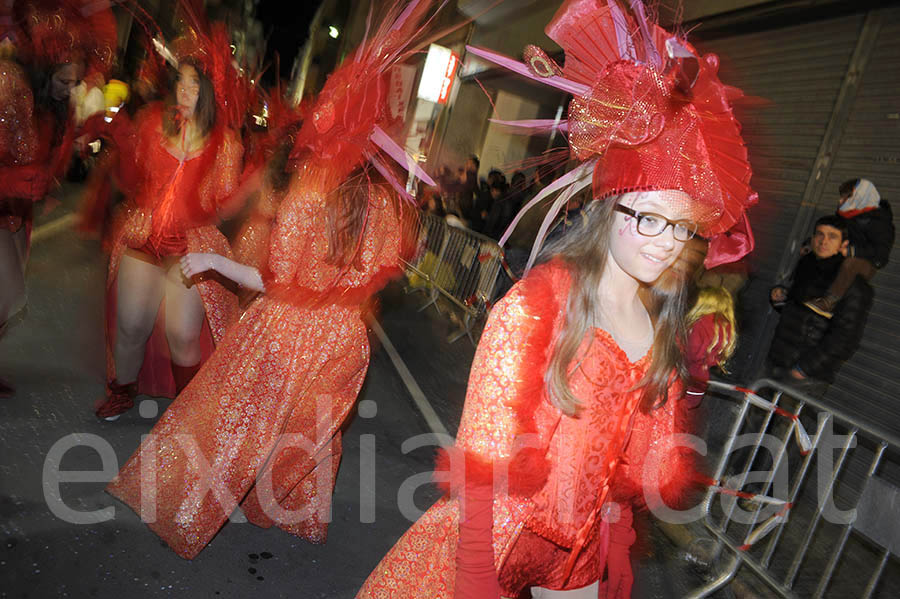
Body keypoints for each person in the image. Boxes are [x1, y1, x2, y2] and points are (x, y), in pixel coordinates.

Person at [358, 0, 757, 597]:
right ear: (607, 207)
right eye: (647, 219)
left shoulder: (660, 326)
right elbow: (483, 460)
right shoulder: (535, 309)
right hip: (495, 540)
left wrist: (615, 545)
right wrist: (473, 574)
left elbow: (633, 466)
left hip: (575, 561)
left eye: (680, 228)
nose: (664, 244)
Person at [106, 0, 438, 559]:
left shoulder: (309, 190)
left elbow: (275, 278)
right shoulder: (384, 204)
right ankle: (288, 511)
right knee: (311, 432)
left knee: (240, 420)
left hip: (285, 331)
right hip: (344, 341)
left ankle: (199, 501)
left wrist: (213, 262)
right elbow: (390, 265)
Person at [94, 21, 246, 421]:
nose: (185, 91)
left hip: (190, 247)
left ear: (209, 93)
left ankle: (187, 412)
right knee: (131, 326)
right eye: (181, 82)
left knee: (182, 334)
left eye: (195, 85)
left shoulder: (226, 143)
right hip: (145, 237)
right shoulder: (150, 125)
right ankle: (122, 391)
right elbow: (131, 179)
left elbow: (223, 204)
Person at [0, 0, 117, 397]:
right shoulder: (9, 83)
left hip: (18, 211)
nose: (70, 89)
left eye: (74, 83)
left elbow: (51, 155)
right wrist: (12, 179)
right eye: (64, 81)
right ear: (46, 68)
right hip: (3, 201)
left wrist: (46, 178)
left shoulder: (57, 104)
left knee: (8, 292)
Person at [768, 215, 873, 394]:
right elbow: (802, 313)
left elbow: (846, 338)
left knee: (784, 421)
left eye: (832, 236)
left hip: (804, 376)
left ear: (843, 245)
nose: (824, 241)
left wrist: (804, 369)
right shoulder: (807, 267)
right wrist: (780, 300)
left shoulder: (852, 284)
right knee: (753, 418)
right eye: (820, 234)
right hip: (777, 362)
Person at [804, 178, 893, 319]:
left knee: (850, 264)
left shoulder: (879, 222)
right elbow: (831, 231)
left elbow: (881, 254)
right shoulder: (845, 215)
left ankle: (829, 302)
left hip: (866, 262)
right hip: (844, 252)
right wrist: (811, 244)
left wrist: (853, 251)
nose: (840, 201)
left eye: (845, 197)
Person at [683, 287, 737, 407]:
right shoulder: (725, 327)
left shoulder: (701, 322)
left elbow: (691, 352)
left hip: (683, 377)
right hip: (700, 380)